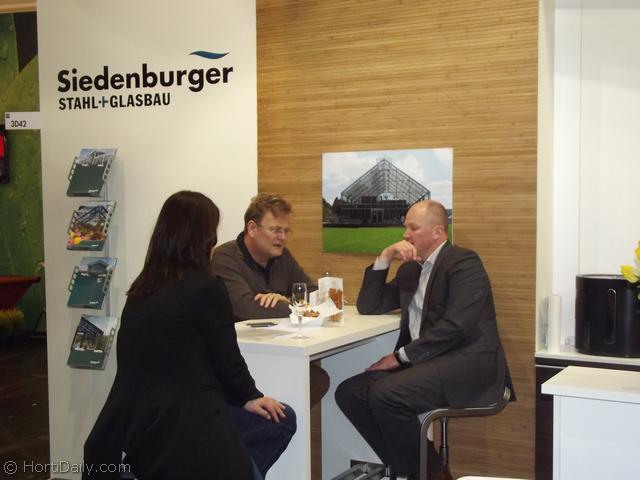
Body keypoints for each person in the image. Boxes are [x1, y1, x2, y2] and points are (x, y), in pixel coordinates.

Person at [83, 191, 296, 480]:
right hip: (187, 423)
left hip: (135, 421)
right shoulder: (206, 287)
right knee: (281, 420)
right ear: (204, 236)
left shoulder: (142, 288)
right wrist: (250, 396)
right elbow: (227, 360)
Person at [335, 200, 514, 480]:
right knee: (349, 393)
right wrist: (385, 257)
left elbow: (455, 327)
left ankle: (426, 473)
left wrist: (399, 357)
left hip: (466, 363)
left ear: (437, 232)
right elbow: (369, 305)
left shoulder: (464, 263)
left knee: (385, 394)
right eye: (405, 227)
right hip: (425, 362)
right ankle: (421, 470)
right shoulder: (410, 269)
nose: (405, 234)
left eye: (413, 228)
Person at [211, 193, 329, 405]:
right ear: (252, 228)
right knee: (310, 380)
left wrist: (284, 300)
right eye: (275, 230)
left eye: (286, 231)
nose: (282, 237)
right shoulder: (225, 257)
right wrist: (292, 305)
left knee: (316, 379)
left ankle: (279, 421)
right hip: (239, 356)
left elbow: (314, 294)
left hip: (279, 346)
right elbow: (245, 308)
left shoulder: (282, 256)